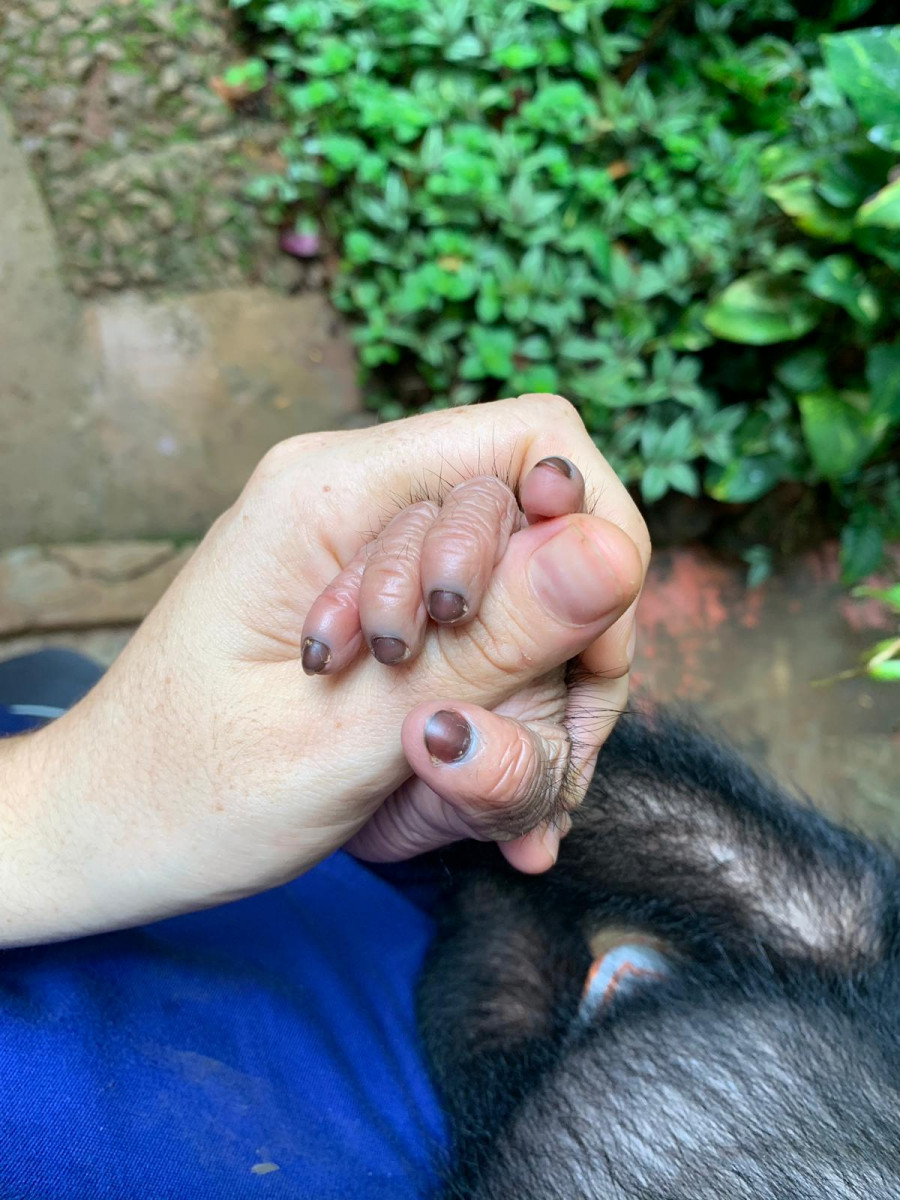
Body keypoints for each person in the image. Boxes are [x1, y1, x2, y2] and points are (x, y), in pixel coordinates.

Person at [0, 395, 648, 1197]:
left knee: (46, 680)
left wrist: (54, 800)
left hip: (342, 887)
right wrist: (66, 810)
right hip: (380, 977)